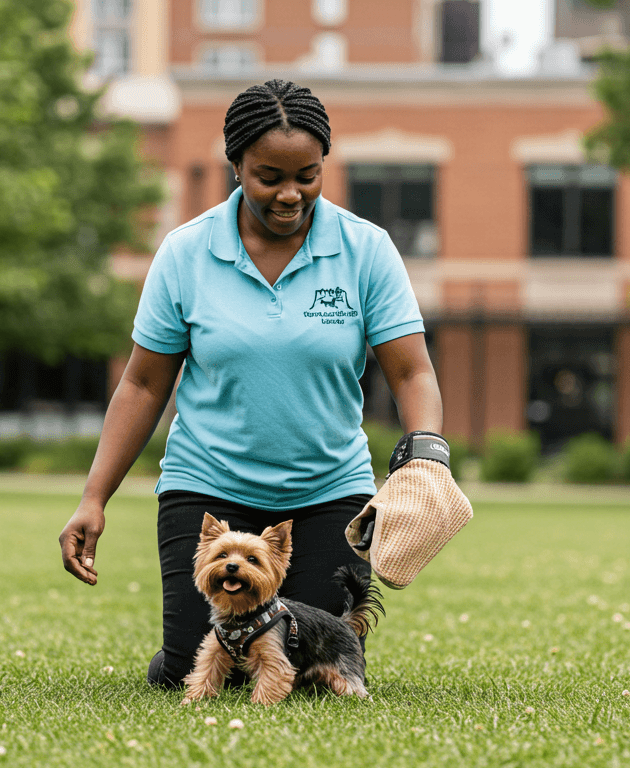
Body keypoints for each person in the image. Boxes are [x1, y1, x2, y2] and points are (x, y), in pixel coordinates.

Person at [58, 78, 444, 687]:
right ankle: (181, 645)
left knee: (315, 663)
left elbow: (411, 369)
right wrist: (93, 498)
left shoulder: (366, 249)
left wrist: (426, 458)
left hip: (328, 493)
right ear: (236, 165)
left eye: (308, 175)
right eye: (270, 177)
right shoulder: (185, 252)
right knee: (193, 667)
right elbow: (142, 384)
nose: (292, 194)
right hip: (207, 486)